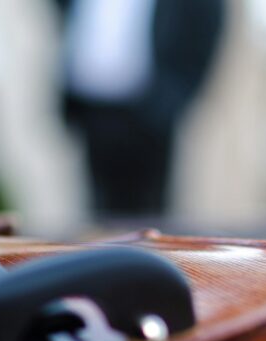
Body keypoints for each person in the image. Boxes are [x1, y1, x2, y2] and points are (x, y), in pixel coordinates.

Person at [59, 0, 225, 217]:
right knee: (96, 211)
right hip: (91, 107)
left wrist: (172, 97)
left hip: (149, 110)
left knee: (148, 215)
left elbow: (205, 21)